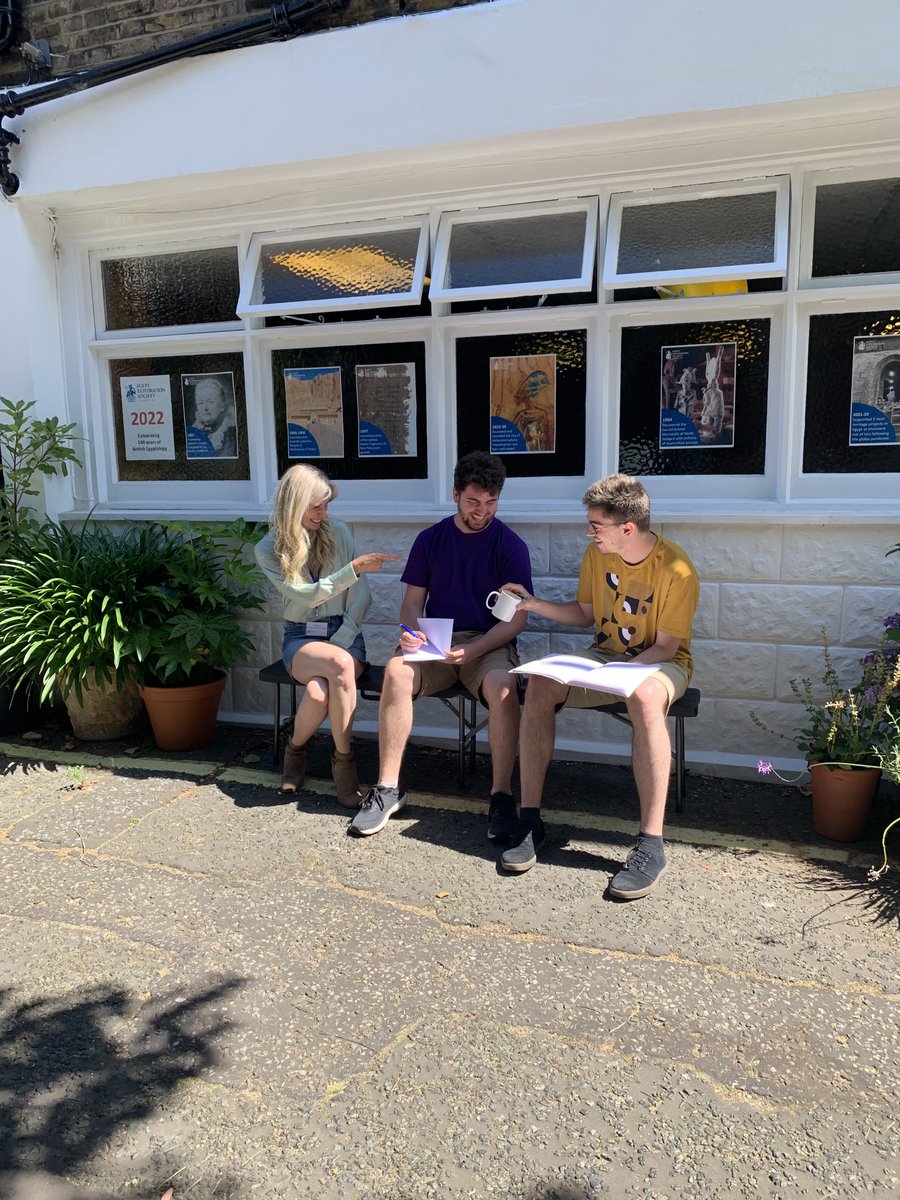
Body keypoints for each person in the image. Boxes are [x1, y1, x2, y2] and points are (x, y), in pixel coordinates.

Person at [500, 473, 699, 899]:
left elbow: (666, 647)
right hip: (604, 657)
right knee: (540, 681)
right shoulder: (598, 555)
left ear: (628, 527)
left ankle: (651, 844)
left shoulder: (677, 569)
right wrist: (533, 605)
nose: (589, 532)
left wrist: (620, 674)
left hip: (661, 663)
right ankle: (530, 820)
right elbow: (585, 614)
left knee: (645, 696)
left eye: (596, 525)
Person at [351, 451, 533, 838]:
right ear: (455, 494)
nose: (482, 511)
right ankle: (387, 787)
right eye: (473, 502)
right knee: (398, 672)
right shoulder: (431, 539)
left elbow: (518, 618)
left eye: (491, 503)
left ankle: (501, 796)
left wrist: (476, 649)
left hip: (487, 643)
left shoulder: (510, 545)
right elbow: (412, 602)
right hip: (436, 639)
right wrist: (409, 632)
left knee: (504, 686)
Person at [254, 464, 399, 804]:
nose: (324, 513)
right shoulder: (268, 548)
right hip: (300, 638)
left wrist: (344, 635)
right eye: (316, 506)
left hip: (345, 634)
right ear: (293, 504)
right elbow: (305, 595)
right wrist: (353, 570)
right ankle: (344, 763)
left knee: (320, 692)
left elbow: (362, 595)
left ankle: (295, 750)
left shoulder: (341, 532)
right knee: (336, 665)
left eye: (326, 505)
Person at [190, 377, 237, 458]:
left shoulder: (230, 436)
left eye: (210, 402)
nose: (205, 408)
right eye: (200, 403)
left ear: (222, 406)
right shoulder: (194, 432)